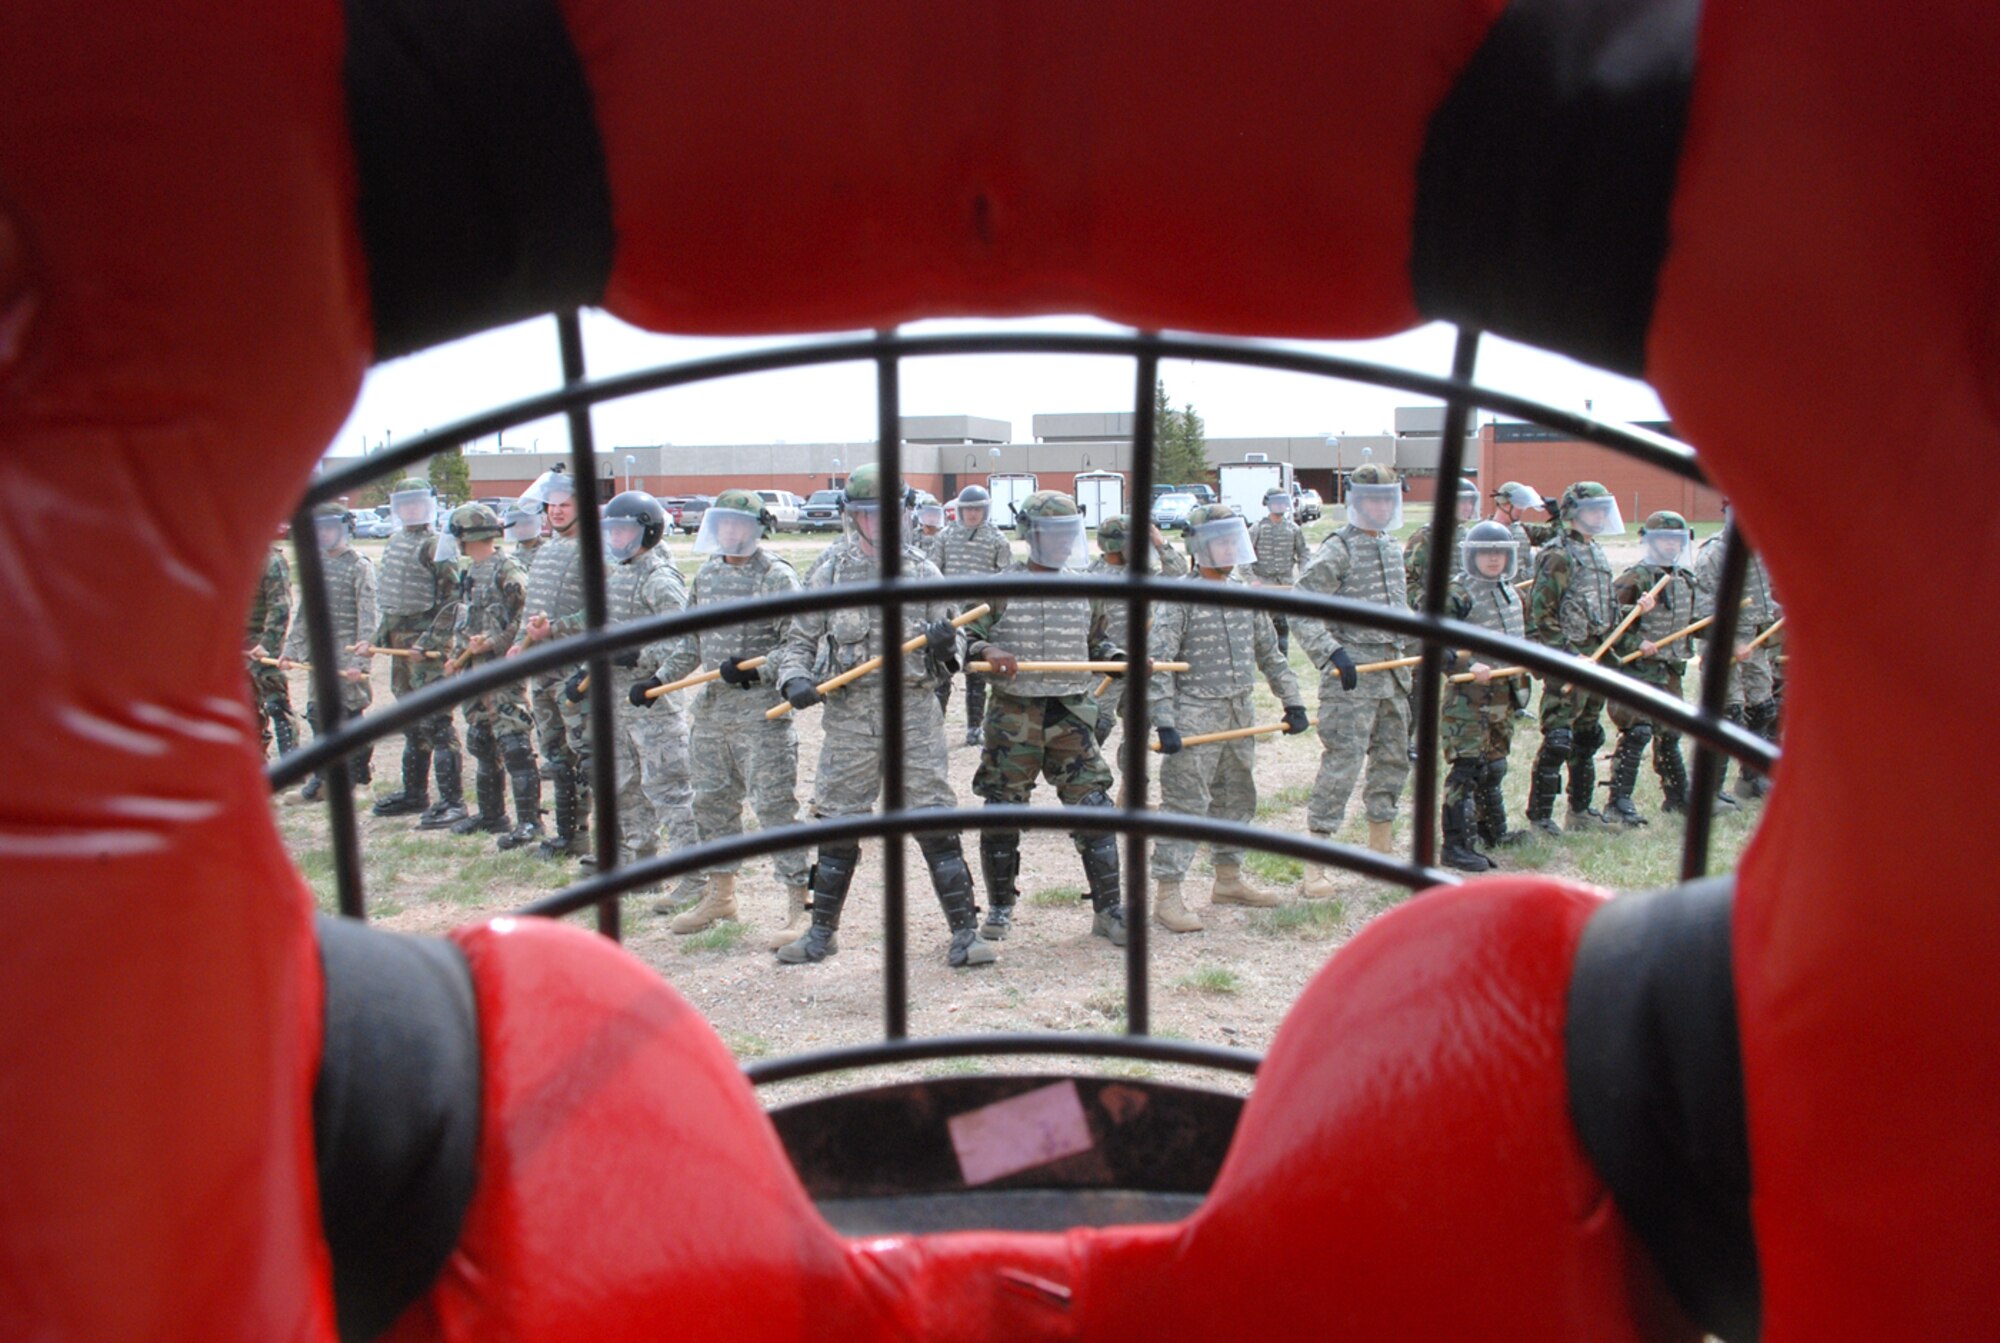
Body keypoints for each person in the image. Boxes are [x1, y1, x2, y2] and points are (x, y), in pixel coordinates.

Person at [772, 464, 993, 968]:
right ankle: (821, 933)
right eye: (868, 515)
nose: (878, 524)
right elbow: (798, 643)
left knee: (934, 817)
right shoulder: (829, 572)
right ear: (853, 518)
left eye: (888, 515)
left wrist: (944, 644)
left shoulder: (923, 573)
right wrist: (794, 680)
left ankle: (965, 933)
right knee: (837, 821)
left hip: (914, 712)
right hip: (851, 717)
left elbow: (957, 639)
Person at [634, 488, 810, 943]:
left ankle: (799, 902)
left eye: (739, 524)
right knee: (711, 805)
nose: (730, 532)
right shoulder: (708, 576)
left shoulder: (776, 577)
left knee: (773, 809)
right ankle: (720, 894)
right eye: (724, 524)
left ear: (757, 528)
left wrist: (758, 667)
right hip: (711, 715)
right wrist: (657, 682)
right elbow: (691, 642)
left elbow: (799, 642)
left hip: (761, 715)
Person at [962, 491, 1127, 947]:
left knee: (1094, 807)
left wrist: (1116, 657)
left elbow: (1099, 642)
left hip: (1071, 714)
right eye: (1050, 534)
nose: (1059, 543)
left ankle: (1109, 909)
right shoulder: (999, 586)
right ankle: (999, 907)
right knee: (1002, 810)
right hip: (1014, 715)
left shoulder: (1083, 587)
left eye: (1066, 534)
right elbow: (965, 638)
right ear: (1029, 535)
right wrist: (987, 649)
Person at [1147, 503, 1309, 932]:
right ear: (1199, 546)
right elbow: (1158, 666)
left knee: (1237, 798)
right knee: (1186, 805)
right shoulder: (1178, 598)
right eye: (1219, 541)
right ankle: (1168, 896)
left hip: (1240, 711)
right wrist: (1165, 721)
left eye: (1231, 539)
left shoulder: (1245, 592)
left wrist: (1292, 701)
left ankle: (1229, 879)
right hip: (1195, 714)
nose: (1229, 549)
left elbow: (1270, 656)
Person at [553, 491, 695, 893]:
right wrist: (583, 673)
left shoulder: (660, 578)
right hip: (614, 704)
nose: (617, 538)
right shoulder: (618, 576)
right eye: (612, 531)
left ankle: (692, 874)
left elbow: (682, 639)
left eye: (625, 530)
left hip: (650, 704)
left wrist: (639, 658)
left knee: (668, 790)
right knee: (626, 787)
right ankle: (641, 868)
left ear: (647, 532)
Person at [1292, 463, 1417, 878]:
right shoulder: (1338, 549)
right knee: (1342, 766)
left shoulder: (1390, 548)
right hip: (1352, 681)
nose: (1383, 507)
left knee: (1392, 762)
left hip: (1394, 677)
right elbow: (1301, 608)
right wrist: (1332, 653)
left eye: (1389, 499)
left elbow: (1401, 618)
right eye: (1374, 500)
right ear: (1357, 502)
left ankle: (1379, 852)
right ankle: (1317, 865)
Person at [431, 504, 540, 846]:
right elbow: (467, 619)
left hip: (502, 670)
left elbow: (523, 620)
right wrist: (458, 657)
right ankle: (492, 815)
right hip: (476, 671)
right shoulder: (471, 572)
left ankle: (530, 823)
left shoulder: (508, 570)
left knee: (514, 743)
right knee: (481, 739)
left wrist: (493, 643)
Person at [362, 477, 465, 828]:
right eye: (404, 503)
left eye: (417, 503)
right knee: (410, 719)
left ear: (429, 505)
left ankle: (453, 801)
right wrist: (374, 640)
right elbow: (390, 604)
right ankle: (414, 793)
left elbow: (453, 602)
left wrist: (431, 643)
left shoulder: (438, 546)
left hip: (428, 650)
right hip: (400, 648)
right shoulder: (393, 543)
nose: (410, 509)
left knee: (437, 721)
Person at [1525, 481, 1625, 833]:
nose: (1601, 515)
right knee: (1558, 740)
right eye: (1593, 509)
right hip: (1568, 659)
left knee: (1587, 737)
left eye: (1603, 508)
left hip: (1595, 658)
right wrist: (1565, 656)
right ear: (1574, 512)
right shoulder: (1558, 554)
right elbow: (1542, 613)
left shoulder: (1595, 551)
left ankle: (1580, 812)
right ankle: (1540, 817)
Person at [1436, 520, 1530, 870]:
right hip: (1468, 698)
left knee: (1495, 764)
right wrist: (1468, 662)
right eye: (1486, 552)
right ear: (1472, 556)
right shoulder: (1457, 593)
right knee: (1467, 767)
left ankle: (1494, 831)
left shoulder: (1510, 591)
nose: (1494, 558)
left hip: (1503, 693)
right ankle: (1456, 845)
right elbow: (1434, 640)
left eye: (1500, 552)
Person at [506, 467, 591, 858]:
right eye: (552, 505)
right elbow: (534, 609)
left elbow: (602, 612)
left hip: (576, 669)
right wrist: (522, 643)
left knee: (585, 753)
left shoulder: (596, 550)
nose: (556, 511)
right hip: (543, 667)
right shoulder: (545, 550)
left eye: (565, 504)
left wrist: (556, 628)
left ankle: (591, 835)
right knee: (555, 754)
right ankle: (567, 835)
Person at [1606, 511, 1699, 823]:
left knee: (1670, 732)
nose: (1672, 545)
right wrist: (1636, 644)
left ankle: (1677, 796)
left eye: (1677, 540)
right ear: (1651, 541)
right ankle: (1618, 801)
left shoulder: (1685, 580)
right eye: (1665, 539)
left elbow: (1693, 622)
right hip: (1637, 670)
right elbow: (1609, 622)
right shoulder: (1635, 578)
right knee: (1638, 731)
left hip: (1669, 670)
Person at [280, 503, 376, 802]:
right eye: (318, 528)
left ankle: (359, 779)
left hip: (348, 653)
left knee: (350, 715)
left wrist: (361, 658)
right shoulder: (315, 565)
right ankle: (325, 779)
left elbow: (369, 613)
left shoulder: (359, 564)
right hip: (321, 655)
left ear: (344, 527)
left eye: (329, 527)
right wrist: (291, 651)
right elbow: (305, 616)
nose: (324, 534)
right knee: (317, 715)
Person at [1695, 503, 1783, 802]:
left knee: (1763, 709)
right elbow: (1703, 605)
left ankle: (1750, 779)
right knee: (1728, 714)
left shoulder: (1758, 549)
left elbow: (1764, 598)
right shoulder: (1715, 553)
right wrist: (1730, 643)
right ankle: (1711, 791)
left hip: (1755, 642)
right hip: (1725, 644)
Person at [1085, 513, 1188, 750]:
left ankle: (1129, 784)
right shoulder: (1091, 577)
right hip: (1108, 667)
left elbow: (1178, 575)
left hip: (1142, 664)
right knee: (1095, 722)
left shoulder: (1142, 573)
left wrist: (1160, 543)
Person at [937, 483, 1015, 745]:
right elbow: (932, 572)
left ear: (986, 510)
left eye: (977, 509)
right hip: (949, 612)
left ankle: (973, 728)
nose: (972, 514)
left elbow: (1006, 579)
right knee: (941, 671)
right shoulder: (945, 537)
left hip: (980, 614)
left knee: (977, 672)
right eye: (968, 509)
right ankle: (935, 726)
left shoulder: (997, 540)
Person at [244, 543, 297, 759]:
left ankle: (293, 764)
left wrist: (268, 645)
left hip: (261, 645)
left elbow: (280, 607)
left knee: (276, 704)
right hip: (237, 645)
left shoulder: (270, 561)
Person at [1403, 476, 1482, 607]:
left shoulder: (1469, 536)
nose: (1468, 507)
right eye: (1463, 502)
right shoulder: (1425, 537)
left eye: (1470, 503)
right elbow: (1408, 580)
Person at [1248, 488, 1310, 654]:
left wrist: (1303, 575)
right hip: (1263, 585)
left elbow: (1304, 553)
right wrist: (1252, 580)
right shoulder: (1257, 528)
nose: (1280, 506)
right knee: (1261, 627)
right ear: (1268, 504)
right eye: (1277, 503)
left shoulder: (1293, 529)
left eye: (1283, 502)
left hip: (1285, 586)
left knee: (1282, 627)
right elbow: (1244, 557)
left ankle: (1283, 659)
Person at [1489, 480, 1561, 552]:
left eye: (1524, 505)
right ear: (1504, 502)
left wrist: (1557, 516)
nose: (1522, 510)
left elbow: (1558, 533)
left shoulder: (1524, 530)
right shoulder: (1483, 530)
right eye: (1520, 504)